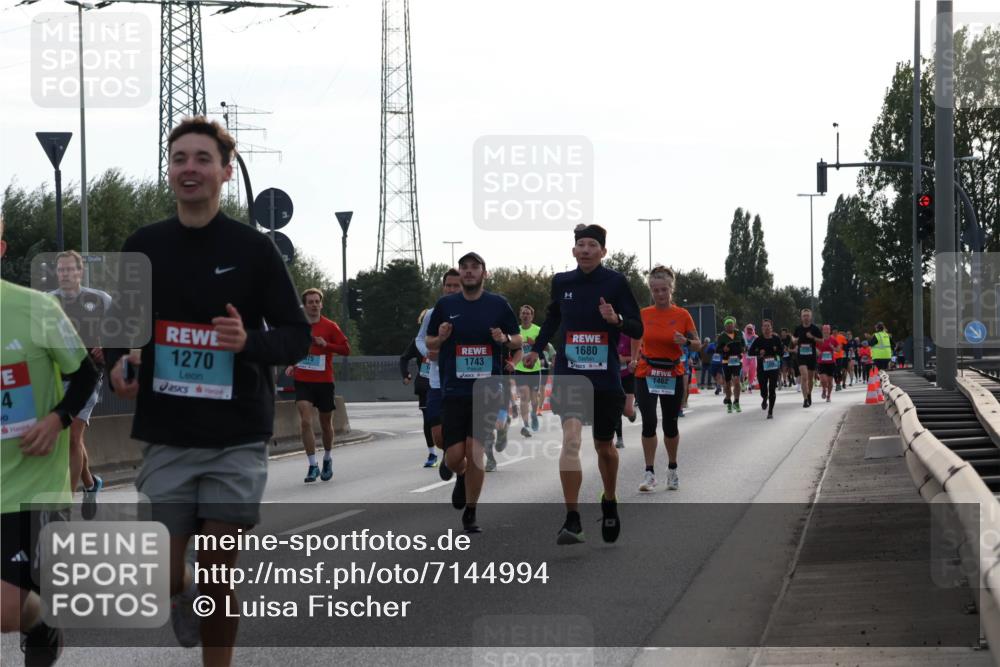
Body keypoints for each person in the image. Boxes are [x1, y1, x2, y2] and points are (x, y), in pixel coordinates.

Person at [106, 117, 311, 666]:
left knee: (218, 570)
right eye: (179, 159)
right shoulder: (142, 246)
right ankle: (177, 593)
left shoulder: (253, 250)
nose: (189, 168)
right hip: (167, 435)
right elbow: (121, 332)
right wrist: (118, 367)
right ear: (169, 170)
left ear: (223, 172)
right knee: (171, 568)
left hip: (236, 435)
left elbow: (296, 336)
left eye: (201, 159)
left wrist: (247, 342)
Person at [1, 217, 101, 666]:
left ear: (1, 247)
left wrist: (57, 420)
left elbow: (85, 373)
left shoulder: (37, 308)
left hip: (28, 485)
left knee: (5, 612)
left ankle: (42, 625)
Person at [524, 224, 642, 545]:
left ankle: (610, 499)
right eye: (581, 245)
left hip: (604, 377)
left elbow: (637, 326)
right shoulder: (562, 283)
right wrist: (535, 350)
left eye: (593, 245)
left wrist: (615, 319)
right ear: (573, 251)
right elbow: (551, 319)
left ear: (603, 252)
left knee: (604, 446)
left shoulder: (616, 282)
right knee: (571, 439)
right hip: (570, 373)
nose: (587, 250)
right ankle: (572, 517)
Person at [425, 253, 520, 534]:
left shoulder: (498, 304)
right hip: (454, 389)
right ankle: (461, 474)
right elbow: (430, 341)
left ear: (484, 273)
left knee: (475, 452)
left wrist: (503, 339)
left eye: (474, 268)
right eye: (464, 268)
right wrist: (440, 337)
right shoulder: (445, 305)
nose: (468, 272)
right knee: (455, 456)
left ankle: (471, 511)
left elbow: (518, 339)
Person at [49, 250, 111, 510]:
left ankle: (66, 503)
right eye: (61, 270)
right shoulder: (48, 301)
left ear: (79, 271)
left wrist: (108, 346)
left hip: (89, 375)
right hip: (57, 376)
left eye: (69, 269)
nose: (65, 274)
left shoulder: (100, 299)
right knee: (71, 438)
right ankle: (90, 482)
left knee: (73, 436)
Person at [630, 266, 699, 492]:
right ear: (651, 290)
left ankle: (672, 469)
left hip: (671, 372)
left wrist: (685, 342)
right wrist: (633, 358)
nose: (660, 294)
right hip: (647, 371)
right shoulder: (644, 314)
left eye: (664, 290)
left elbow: (698, 344)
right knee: (649, 421)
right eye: (655, 290)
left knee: (670, 424)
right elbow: (635, 337)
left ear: (671, 289)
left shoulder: (682, 315)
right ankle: (649, 473)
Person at [285, 288, 350, 483]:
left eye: (316, 301)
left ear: (321, 304)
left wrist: (326, 345)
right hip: (303, 380)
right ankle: (312, 465)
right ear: (304, 306)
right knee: (305, 421)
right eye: (310, 302)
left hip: (324, 381)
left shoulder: (330, 326)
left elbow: (346, 349)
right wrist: (291, 363)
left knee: (325, 424)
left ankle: (327, 459)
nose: (314, 304)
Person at [416, 269, 464, 478]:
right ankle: (448, 456)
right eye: (449, 286)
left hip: (462, 380)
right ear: (443, 287)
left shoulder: (472, 311)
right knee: (438, 436)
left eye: (456, 286)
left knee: (462, 435)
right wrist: (429, 352)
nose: (452, 290)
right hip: (436, 381)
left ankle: (461, 473)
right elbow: (419, 339)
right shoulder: (432, 314)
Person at [399, 312, 436, 467]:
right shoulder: (418, 342)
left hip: (443, 382)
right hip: (425, 384)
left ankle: (449, 451)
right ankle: (432, 454)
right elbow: (404, 358)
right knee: (428, 419)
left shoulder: (445, 337)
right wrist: (406, 374)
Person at [513, 305, 544, 438]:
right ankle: (526, 425)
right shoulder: (516, 330)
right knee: (524, 397)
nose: (525, 316)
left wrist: (535, 344)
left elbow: (546, 348)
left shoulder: (538, 330)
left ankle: (533, 414)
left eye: (528, 314)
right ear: (520, 315)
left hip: (534, 369)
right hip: (520, 368)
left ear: (532, 316)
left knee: (534, 399)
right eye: (523, 313)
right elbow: (510, 346)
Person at [747, 319, 784, 419]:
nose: (766, 328)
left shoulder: (776, 339)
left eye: (768, 326)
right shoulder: (758, 340)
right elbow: (750, 352)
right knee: (763, 389)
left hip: (773, 367)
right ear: (762, 329)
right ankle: (764, 398)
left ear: (771, 328)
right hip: (762, 368)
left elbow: (782, 353)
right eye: (764, 326)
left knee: (772, 389)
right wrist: (759, 353)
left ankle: (770, 411)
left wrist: (777, 352)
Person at [793, 308, 822, 407]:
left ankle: (809, 394)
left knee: (810, 379)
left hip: (811, 356)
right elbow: (794, 339)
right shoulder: (798, 328)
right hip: (801, 356)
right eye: (804, 316)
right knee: (804, 377)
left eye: (807, 315)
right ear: (801, 317)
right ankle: (805, 399)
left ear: (810, 317)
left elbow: (821, 341)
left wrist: (813, 337)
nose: (806, 317)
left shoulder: (815, 329)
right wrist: (795, 341)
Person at [715, 316, 745, 413]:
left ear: (734, 325)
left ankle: (736, 402)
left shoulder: (739, 333)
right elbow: (717, 349)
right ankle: (729, 402)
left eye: (731, 324)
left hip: (737, 360)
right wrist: (723, 349)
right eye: (727, 324)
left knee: (736, 380)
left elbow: (744, 345)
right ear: (725, 326)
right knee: (727, 383)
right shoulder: (722, 336)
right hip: (726, 361)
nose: (729, 326)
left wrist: (744, 349)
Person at [613, 333, 636, 450]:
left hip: (627, 375)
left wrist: (624, 359)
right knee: (616, 408)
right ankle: (619, 439)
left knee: (626, 410)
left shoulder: (628, 337)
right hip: (613, 376)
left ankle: (632, 413)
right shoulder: (609, 335)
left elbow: (638, 355)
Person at [816, 324, 841, 402]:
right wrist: (818, 352)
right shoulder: (819, 339)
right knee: (823, 380)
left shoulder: (833, 340)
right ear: (822, 331)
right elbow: (814, 347)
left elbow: (838, 349)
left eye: (827, 330)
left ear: (829, 331)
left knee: (830, 381)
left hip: (831, 363)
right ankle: (824, 389)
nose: (826, 331)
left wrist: (833, 348)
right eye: (825, 330)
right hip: (821, 362)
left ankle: (828, 396)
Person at [741, 323, 758, 391]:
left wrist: (756, 350)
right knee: (745, 371)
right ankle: (743, 384)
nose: (749, 331)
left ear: (753, 330)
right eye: (748, 329)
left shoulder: (756, 337)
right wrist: (743, 349)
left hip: (753, 357)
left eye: (751, 329)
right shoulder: (743, 336)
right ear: (745, 329)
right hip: (745, 357)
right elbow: (740, 345)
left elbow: (758, 346)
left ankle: (750, 385)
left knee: (752, 372)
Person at [832, 327, 848, 392]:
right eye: (833, 332)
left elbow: (846, 345)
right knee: (834, 371)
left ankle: (838, 383)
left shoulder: (841, 337)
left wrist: (843, 349)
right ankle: (837, 383)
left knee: (838, 370)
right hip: (832, 357)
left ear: (837, 332)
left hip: (840, 356)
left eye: (835, 332)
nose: (834, 333)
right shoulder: (830, 337)